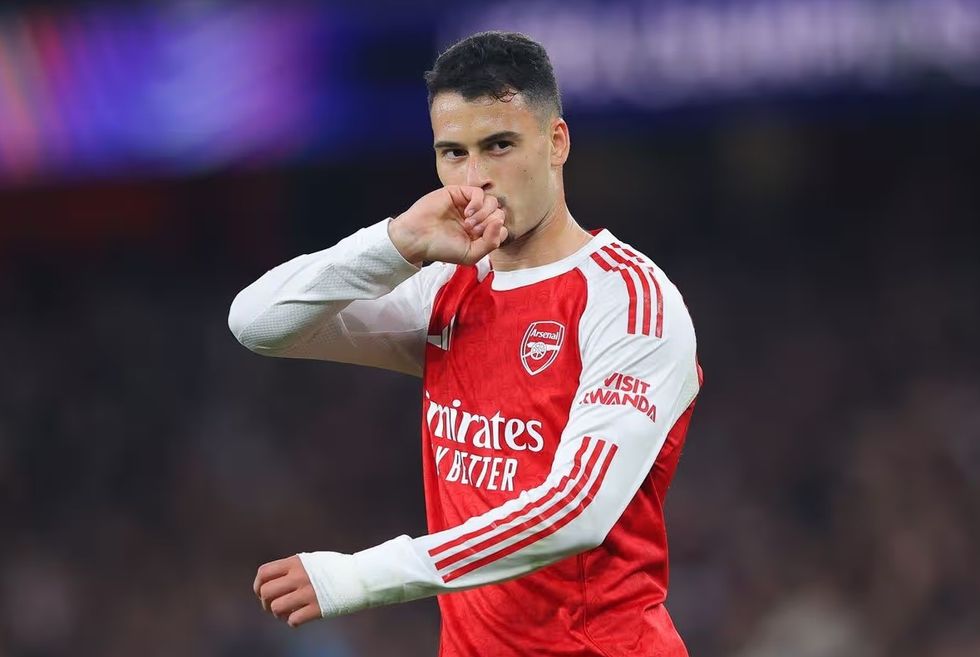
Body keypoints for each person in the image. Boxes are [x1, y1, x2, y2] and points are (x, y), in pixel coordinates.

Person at [229, 30, 702, 657]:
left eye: (499, 145)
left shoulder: (629, 301)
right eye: (453, 153)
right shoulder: (446, 287)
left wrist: (360, 576)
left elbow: (577, 510)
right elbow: (256, 321)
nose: (475, 180)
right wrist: (394, 242)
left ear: (557, 142)